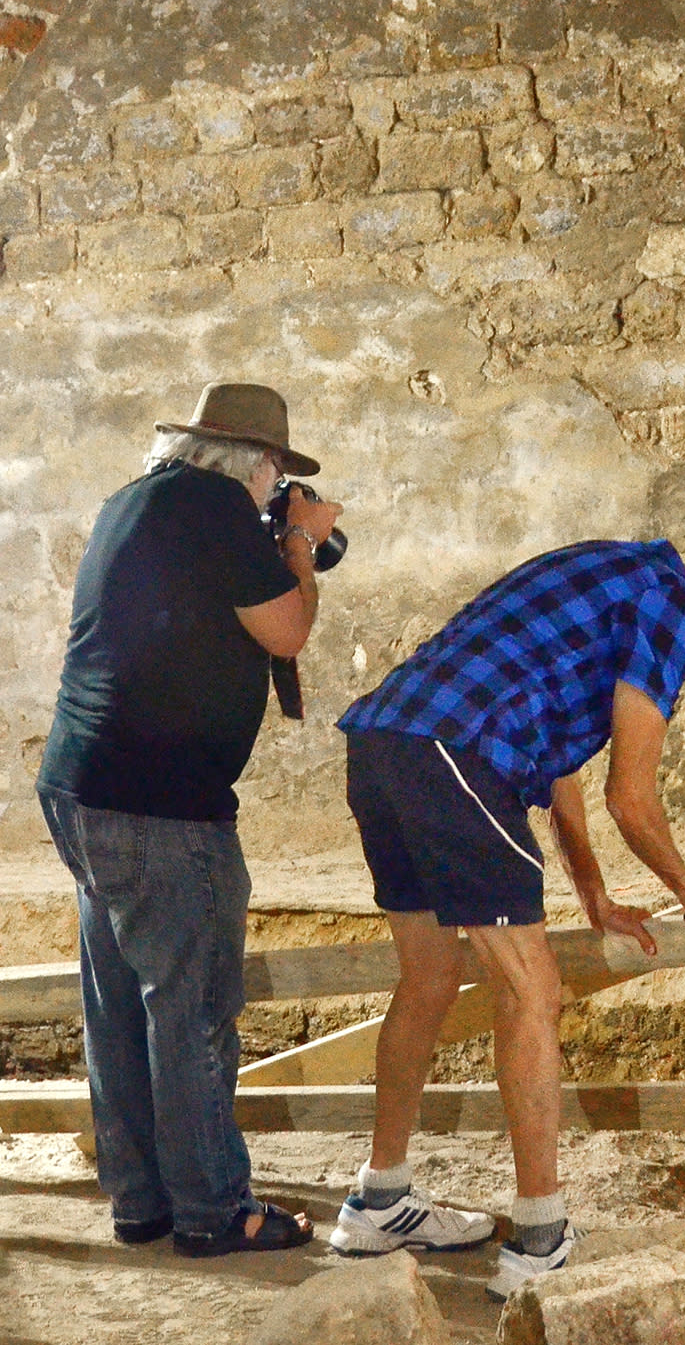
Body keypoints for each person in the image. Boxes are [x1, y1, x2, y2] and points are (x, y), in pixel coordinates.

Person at [327, 538, 685, 1296]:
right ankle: (539, 1238)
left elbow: (562, 762)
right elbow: (630, 798)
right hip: (459, 753)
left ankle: (380, 1200)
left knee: (431, 977)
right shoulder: (672, 603)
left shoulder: (616, 575)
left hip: (385, 745)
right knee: (532, 993)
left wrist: (593, 893)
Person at [37, 382, 342, 1257]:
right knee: (194, 1005)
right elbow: (286, 631)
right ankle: (214, 1209)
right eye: (277, 475)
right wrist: (299, 543)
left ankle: (141, 1201)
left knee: (121, 1004)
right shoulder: (215, 506)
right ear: (259, 465)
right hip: (162, 806)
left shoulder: (138, 498)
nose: (277, 488)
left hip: (83, 787)